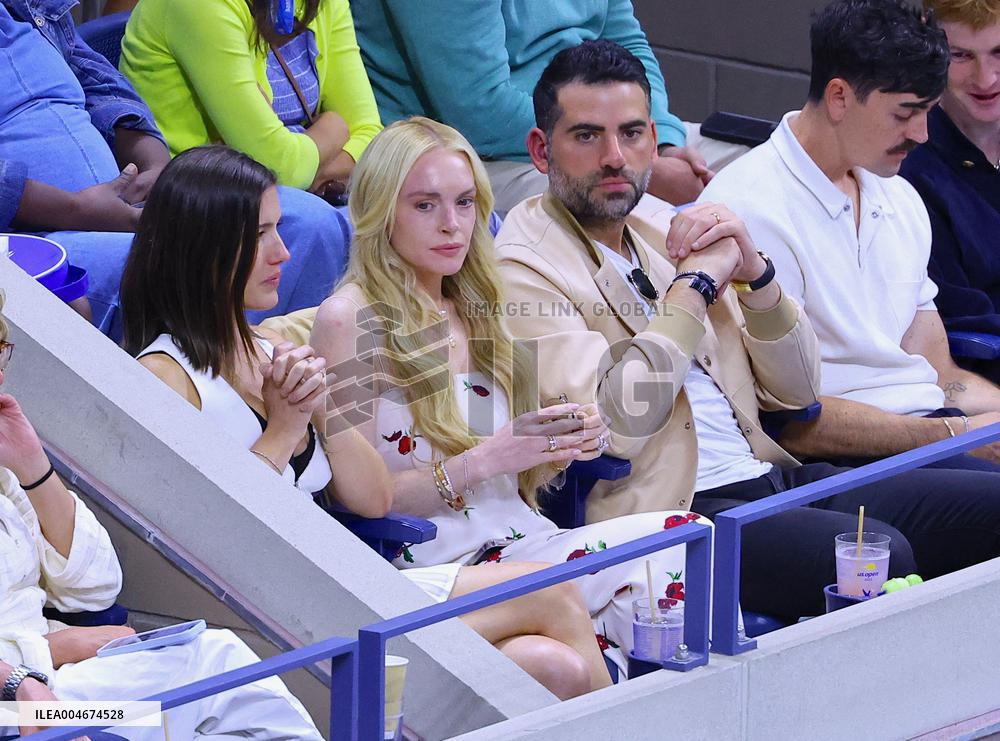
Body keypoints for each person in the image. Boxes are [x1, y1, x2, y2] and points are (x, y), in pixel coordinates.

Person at [494, 38, 1000, 621]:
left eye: (632, 134)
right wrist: (694, 291)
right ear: (540, 149)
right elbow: (618, 425)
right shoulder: (523, 269)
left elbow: (798, 392)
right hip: (676, 509)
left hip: (769, 470)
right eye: (587, 136)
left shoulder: (660, 229)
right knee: (873, 556)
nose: (615, 156)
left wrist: (758, 277)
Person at [122, 145, 616, 699]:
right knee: (550, 592)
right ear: (204, 248)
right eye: (260, 235)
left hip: (339, 581)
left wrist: (324, 406)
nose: (283, 252)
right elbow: (212, 535)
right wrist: (284, 430)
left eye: (277, 229)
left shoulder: (267, 346)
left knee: (553, 665)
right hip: (272, 612)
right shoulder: (163, 375)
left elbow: (371, 497)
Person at [291, 115, 716, 678]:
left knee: (691, 540)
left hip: (523, 540)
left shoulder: (481, 304)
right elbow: (356, 501)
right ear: (380, 211)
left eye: (466, 203)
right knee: (561, 657)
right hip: (430, 561)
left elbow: (518, 469)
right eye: (425, 205)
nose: (452, 225)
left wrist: (563, 443)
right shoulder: (349, 319)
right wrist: (489, 458)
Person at [0, 293, 323, 740]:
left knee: (217, 659)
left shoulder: (6, 467)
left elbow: (95, 589)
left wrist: (33, 468)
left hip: (52, 687)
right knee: (188, 696)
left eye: (1, 349)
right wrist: (39, 660)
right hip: (23, 708)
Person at [699, 0, 1000, 470]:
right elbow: (789, 419)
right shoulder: (746, 208)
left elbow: (942, 377)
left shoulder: (900, 198)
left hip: (929, 433)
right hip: (838, 463)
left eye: (927, 112)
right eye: (904, 114)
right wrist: (950, 436)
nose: (922, 134)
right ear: (839, 97)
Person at [0, 0, 351, 340]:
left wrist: (158, 166)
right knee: (183, 260)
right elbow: (283, 161)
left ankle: (285, 382)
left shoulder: (28, 7)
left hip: (120, 203)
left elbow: (102, 87)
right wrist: (76, 210)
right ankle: (215, 389)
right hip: (31, 236)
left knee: (311, 224)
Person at [349, 0, 731, 215]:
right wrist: (623, 156)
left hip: (592, 128)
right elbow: (481, 110)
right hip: (479, 151)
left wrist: (658, 140)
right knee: (641, 212)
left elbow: (627, 45)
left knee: (755, 166)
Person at [121, 0, 382, 197]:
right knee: (326, 227)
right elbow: (277, 165)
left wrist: (308, 174)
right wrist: (333, 129)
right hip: (197, 194)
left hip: (269, 186)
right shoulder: (199, 6)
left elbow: (371, 134)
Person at [899, 0, 1000, 381]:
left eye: (998, 52)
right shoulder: (910, 169)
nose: (985, 78)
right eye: (962, 55)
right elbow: (962, 319)